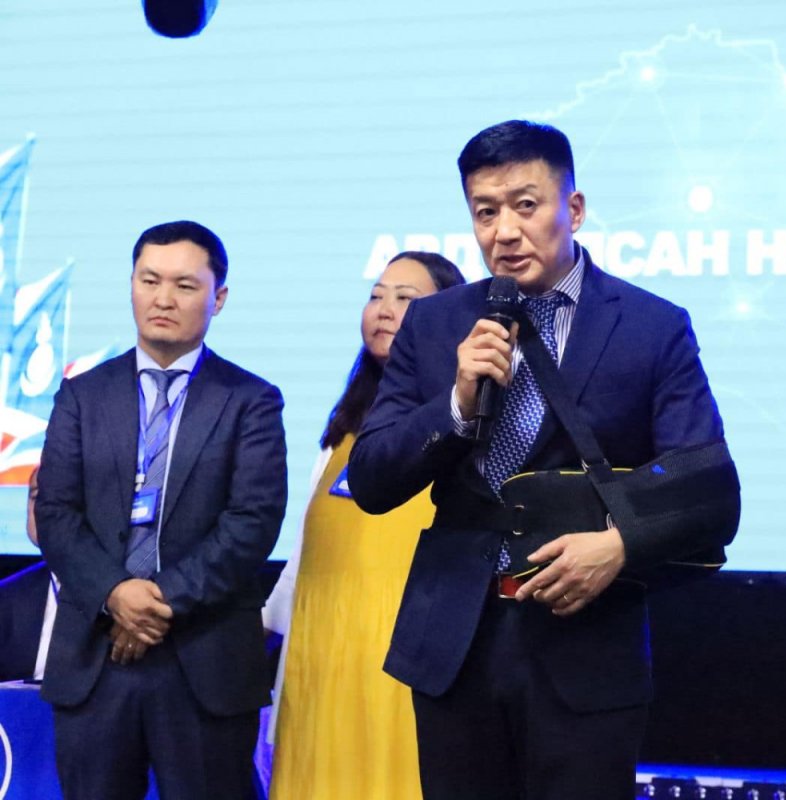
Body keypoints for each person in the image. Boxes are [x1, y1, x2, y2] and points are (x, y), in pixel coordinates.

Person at [347, 119, 727, 800]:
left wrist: (619, 545)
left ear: (572, 209)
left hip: (588, 645)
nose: (505, 231)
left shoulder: (652, 326)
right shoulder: (434, 324)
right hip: (455, 642)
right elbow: (372, 479)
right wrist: (456, 403)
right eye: (485, 212)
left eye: (526, 205)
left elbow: (705, 486)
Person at [36, 220, 288, 800]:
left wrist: (156, 603)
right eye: (149, 280)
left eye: (184, 285)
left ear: (218, 298)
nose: (163, 298)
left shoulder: (251, 400)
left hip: (203, 662)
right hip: (95, 660)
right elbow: (56, 512)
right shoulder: (82, 394)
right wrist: (115, 594)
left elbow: (252, 522)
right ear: (131, 285)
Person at [263, 251, 464, 799]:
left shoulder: (460, 423)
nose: (384, 309)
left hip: (406, 660)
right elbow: (305, 555)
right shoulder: (343, 429)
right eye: (376, 295)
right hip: (322, 654)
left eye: (406, 299)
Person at [0, 466, 58, 682]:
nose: (43, 509)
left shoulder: (128, 597)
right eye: (36, 497)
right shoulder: (6, 596)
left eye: (58, 497)